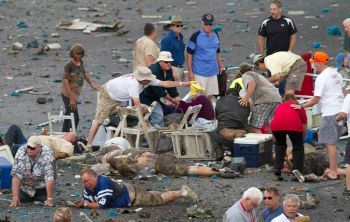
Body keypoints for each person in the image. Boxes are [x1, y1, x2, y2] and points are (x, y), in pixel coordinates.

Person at [86, 66, 190, 148]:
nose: (150, 81)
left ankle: (115, 143)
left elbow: (164, 83)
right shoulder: (133, 84)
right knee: (99, 119)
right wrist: (144, 124)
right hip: (108, 94)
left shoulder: (148, 80)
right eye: (148, 79)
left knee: (115, 119)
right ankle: (89, 144)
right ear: (143, 79)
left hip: (118, 96)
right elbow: (137, 106)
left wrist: (183, 83)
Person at [292, 51, 344, 179]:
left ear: (319, 62)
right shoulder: (336, 73)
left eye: (314, 62)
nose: (313, 65)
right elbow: (342, 91)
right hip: (340, 109)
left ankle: (333, 170)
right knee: (332, 142)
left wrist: (301, 106)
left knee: (329, 143)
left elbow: (316, 99)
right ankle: (334, 167)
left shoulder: (322, 77)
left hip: (330, 112)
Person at [75, 168, 197, 209]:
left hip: (133, 195)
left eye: (87, 181)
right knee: (153, 195)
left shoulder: (103, 183)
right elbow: (87, 200)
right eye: (84, 182)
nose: (86, 184)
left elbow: (102, 205)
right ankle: (172, 192)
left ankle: (182, 192)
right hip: (127, 191)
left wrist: (85, 205)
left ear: (95, 177)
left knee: (159, 199)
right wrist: (82, 202)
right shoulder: (89, 186)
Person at [84, 145, 237, 178]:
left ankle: (219, 172)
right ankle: (219, 170)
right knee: (189, 168)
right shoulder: (125, 150)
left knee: (190, 170)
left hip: (159, 164)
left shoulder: (115, 158)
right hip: (162, 156)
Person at [61, 43, 99, 132]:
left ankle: (63, 135)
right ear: (72, 53)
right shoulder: (69, 65)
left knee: (68, 115)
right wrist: (71, 98)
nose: (78, 56)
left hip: (76, 93)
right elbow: (65, 82)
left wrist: (92, 85)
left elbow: (84, 73)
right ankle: (70, 136)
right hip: (68, 94)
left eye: (80, 54)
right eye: (77, 54)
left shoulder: (80, 62)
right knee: (75, 118)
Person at [10, 136, 55, 207]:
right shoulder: (21, 152)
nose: (29, 149)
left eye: (32, 148)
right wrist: (15, 196)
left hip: (41, 187)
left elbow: (49, 178)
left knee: (44, 200)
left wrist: (49, 199)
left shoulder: (47, 155)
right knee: (19, 198)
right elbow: (16, 176)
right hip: (25, 188)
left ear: (39, 147)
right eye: (28, 147)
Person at [140, 51, 182, 127]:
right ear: (160, 61)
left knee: (158, 115)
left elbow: (170, 84)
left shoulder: (169, 70)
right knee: (152, 115)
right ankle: (153, 131)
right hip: (144, 96)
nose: (169, 64)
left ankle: (156, 130)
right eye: (166, 62)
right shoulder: (154, 70)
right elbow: (159, 91)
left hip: (154, 97)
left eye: (170, 62)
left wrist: (176, 96)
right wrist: (172, 100)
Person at [186, 13, 223, 98]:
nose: (208, 26)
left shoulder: (216, 35)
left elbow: (217, 51)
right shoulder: (195, 36)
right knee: (198, 98)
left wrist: (220, 66)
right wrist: (190, 72)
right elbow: (189, 55)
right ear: (202, 23)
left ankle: (207, 111)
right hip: (199, 73)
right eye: (206, 24)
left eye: (210, 24)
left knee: (210, 96)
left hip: (213, 72)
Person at [270, 94, 307, 178]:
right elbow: (304, 124)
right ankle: (296, 170)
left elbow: (275, 119)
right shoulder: (298, 106)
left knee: (280, 145)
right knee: (298, 147)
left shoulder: (279, 106)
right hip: (294, 125)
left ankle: (277, 168)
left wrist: (275, 137)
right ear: (295, 100)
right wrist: (302, 138)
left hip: (276, 126)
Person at [239, 63, 281, 133]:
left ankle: (261, 144)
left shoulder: (246, 75)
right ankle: (273, 142)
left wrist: (246, 98)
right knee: (269, 125)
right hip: (277, 99)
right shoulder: (258, 76)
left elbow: (251, 83)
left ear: (241, 72)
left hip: (264, 100)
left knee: (254, 127)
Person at [213, 87, 250, 160]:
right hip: (242, 133)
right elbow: (247, 116)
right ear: (238, 95)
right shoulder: (244, 101)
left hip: (226, 133)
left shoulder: (220, 101)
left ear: (226, 94)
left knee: (214, 133)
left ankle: (219, 154)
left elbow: (217, 117)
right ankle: (236, 154)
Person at [1, 124, 77, 159]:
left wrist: (53, 157)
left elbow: (63, 154)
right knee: (14, 127)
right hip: (31, 141)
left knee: (16, 148)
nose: (66, 133)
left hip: (35, 146)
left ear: (72, 139)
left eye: (69, 134)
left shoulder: (68, 144)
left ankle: (4, 150)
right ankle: (4, 147)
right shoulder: (58, 138)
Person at [161, 16, 185, 81]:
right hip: (171, 69)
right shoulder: (167, 39)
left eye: (181, 25)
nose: (180, 27)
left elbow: (180, 54)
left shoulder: (181, 37)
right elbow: (163, 57)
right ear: (172, 26)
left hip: (179, 68)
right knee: (171, 90)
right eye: (177, 26)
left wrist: (181, 69)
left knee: (176, 90)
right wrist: (172, 71)